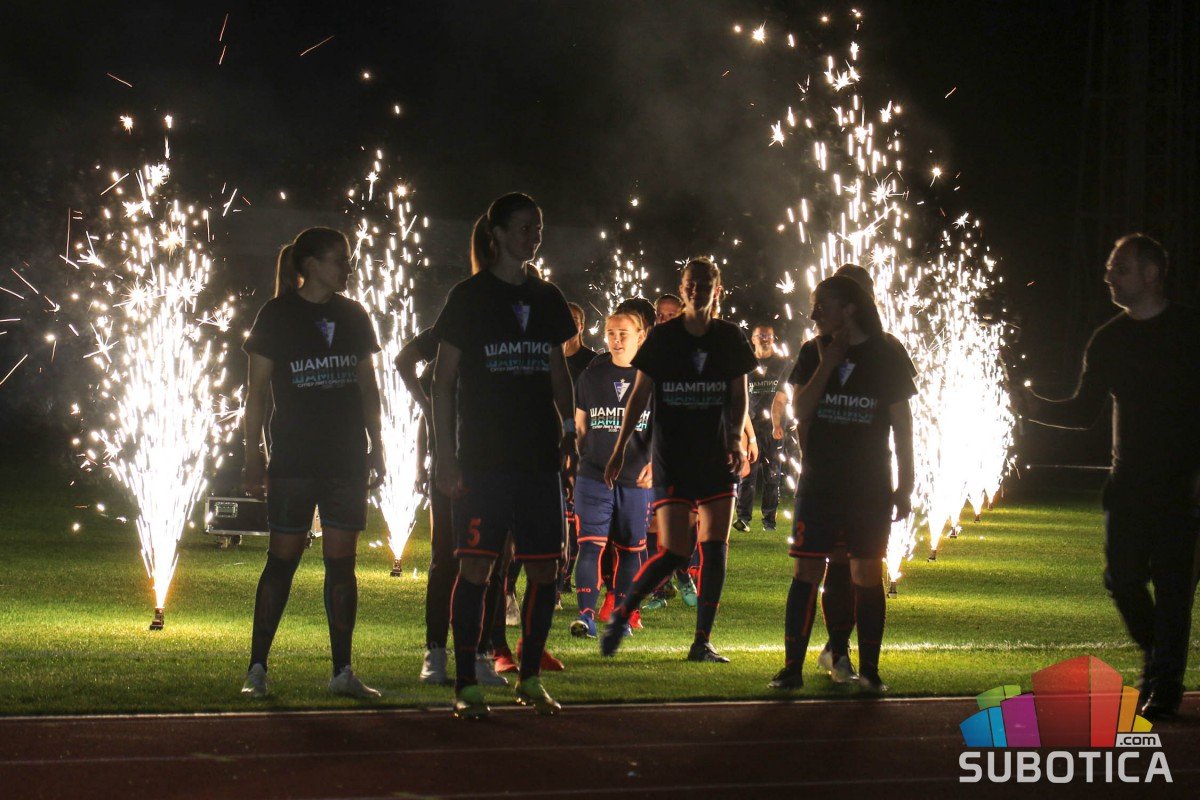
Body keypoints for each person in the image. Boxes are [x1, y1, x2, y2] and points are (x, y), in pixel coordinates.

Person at [1021, 233, 1200, 719]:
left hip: (1182, 486)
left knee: (1174, 589)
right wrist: (1034, 407)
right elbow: (1084, 412)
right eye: (1109, 268)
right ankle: (1158, 655)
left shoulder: (1190, 331)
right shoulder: (1110, 339)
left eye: (1120, 268)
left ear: (1151, 274)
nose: (1108, 277)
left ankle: (1165, 686)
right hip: (1129, 484)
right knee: (1122, 579)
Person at [432, 192, 577, 719]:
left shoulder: (548, 297)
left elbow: (558, 372)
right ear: (496, 234)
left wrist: (569, 430)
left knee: (544, 570)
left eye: (538, 227)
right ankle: (466, 682)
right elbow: (442, 382)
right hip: (484, 457)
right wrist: (445, 454)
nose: (533, 236)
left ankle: (529, 677)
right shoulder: (469, 297)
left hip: (537, 457)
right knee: (476, 567)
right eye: (524, 227)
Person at [240, 227, 386, 699]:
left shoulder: (353, 315)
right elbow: (255, 394)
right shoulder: (277, 315)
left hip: (345, 458)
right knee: (281, 562)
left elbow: (367, 387)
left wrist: (378, 445)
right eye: (339, 259)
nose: (348, 267)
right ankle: (257, 668)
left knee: (342, 566)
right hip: (295, 459)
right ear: (310, 265)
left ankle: (342, 670)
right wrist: (253, 456)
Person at [602, 257, 757, 662]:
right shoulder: (664, 338)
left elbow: (738, 395)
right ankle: (624, 611)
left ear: (717, 290)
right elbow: (639, 396)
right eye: (690, 283)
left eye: (705, 283)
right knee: (673, 551)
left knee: (715, 548)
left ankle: (701, 641)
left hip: (715, 456)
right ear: (683, 287)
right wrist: (619, 449)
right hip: (673, 455)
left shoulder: (730, 337)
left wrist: (735, 438)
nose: (696, 290)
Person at [769, 274, 915, 694]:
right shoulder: (812, 352)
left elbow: (903, 426)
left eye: (822, 305)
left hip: (869, 484)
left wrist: (905, 484)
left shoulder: (887, 352)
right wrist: (829, 362)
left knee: (866, 572)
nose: (814, 314)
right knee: (806, 571)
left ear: (849, 308)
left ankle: (870, 670)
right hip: (820, 482)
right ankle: (791, 669)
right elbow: (800, 411)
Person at [395, 329, 509, 689]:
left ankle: (481, 653)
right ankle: (437, 651)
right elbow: (403, 359)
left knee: (491, 563)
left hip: (496, 462)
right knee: (445, 558)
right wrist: (427, 406)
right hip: (454, 463)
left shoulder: (505, 327)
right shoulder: (455, 323)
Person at [570, 310, 653, 638]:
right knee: (590, 545)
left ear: (640, 337)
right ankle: (586, 617)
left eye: (623, 334)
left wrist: (656, 464)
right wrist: (580, 459)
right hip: (594, 476)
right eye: (611, 333)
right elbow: (580, 425)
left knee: (631, 549)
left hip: (635, 479)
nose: (616, 340)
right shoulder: (591, 377)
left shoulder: (654, 378)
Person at [734, 323, 789, 532]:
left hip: (774, 427)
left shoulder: (782, 364)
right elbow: (741, 397)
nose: (765, 339)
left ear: (773, 339)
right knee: (747, 474)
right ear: (753, 338)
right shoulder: (746, 364)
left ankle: (769, 521)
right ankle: (743, 518)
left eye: (768, 335)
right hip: (751, 426)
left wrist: (778, 423)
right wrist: (745, 430)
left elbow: (783, 396)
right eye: (760, 335)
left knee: (773, 475)